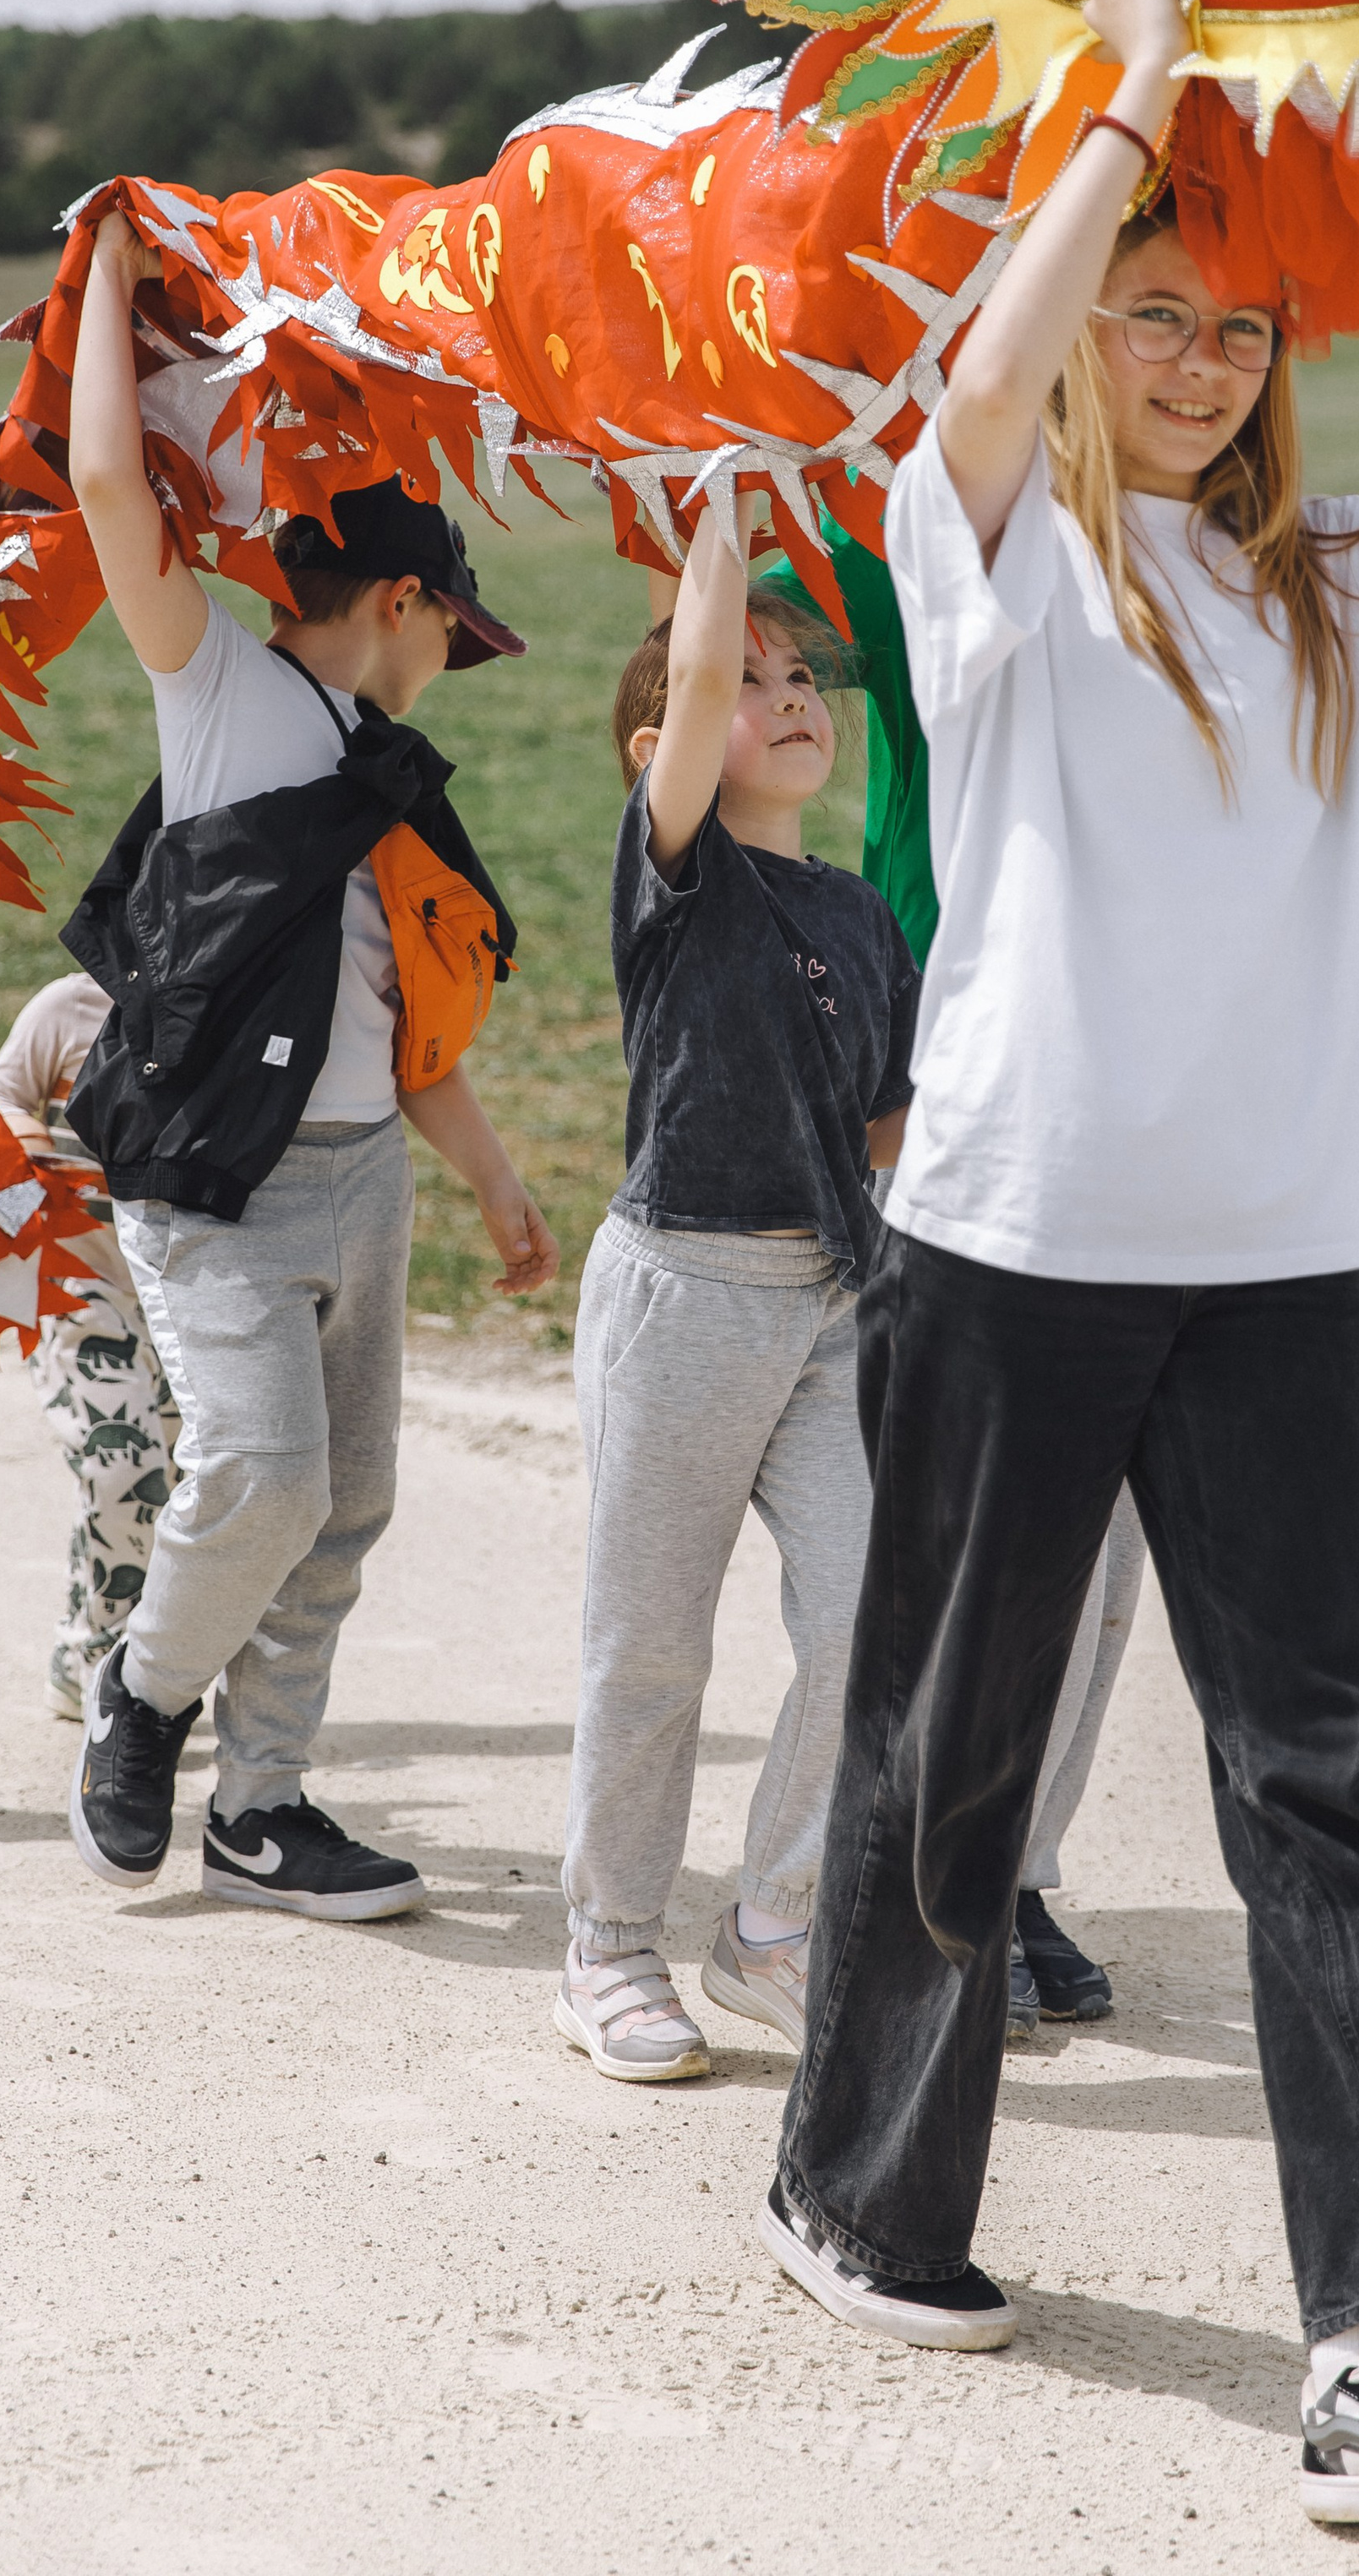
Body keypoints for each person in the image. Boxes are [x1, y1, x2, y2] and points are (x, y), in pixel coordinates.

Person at [758, 0, 1359, 2533]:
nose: (1193, 360)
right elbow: (960, 399)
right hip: (1012, 1235)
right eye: (1153, 316)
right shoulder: (1010, 572)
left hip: (1275, 1260)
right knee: (949, 1748)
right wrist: (1128, 98)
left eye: (1236, 321)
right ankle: (858, 2176)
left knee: (1327, 1775)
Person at [61, 209, 559, 1921]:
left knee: (342, 1507)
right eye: (452, 630)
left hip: (363, 1183)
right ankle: (139, 1706)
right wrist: (109, 282)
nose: (453, 665)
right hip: (215, 1180)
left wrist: (489, 1174)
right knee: (264, 1471)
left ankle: (261, 1808)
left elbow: (402, 1017)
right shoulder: (226, 701)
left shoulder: (385, 768)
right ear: (407, 598)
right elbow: (115, 499)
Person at [555, 492, 918, 2081]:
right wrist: (726, 505)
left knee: (869, 1614)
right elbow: (692, 676)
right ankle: (606, 1949)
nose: (790, 701)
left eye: (806, 682)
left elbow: (888, 1119)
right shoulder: (679, 873)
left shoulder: (852, 909)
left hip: (833, 1294)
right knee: (655, 1646)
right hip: (686, 1293)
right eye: (754, 681)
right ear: (665, 751)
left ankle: (768, 1921)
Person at [767, 522, 1137, 2035]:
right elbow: (753, 595)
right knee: (971, 1533)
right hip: (947, 1117)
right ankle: (916, 1871)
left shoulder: (1159, 574)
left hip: (1122, 1117)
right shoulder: (926, 555)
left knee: (1108, 1556)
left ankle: (1022, 1862)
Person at [0, 971, 181, 1722]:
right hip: (77, 1283)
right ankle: (101, 1664)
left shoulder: (235, 1000)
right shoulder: (70, 1005)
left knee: (174, 1486)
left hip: (187, 1296)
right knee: (122, 1465)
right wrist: (18, 1132)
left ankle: (113, 1649)